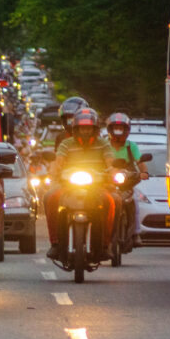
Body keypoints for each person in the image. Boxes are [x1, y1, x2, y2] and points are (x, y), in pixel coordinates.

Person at [44, 107, 119, 261]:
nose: (85, 132)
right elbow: (59, 162)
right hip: (68, 185)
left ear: (95, 129)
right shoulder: (66, 144)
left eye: (88, 128)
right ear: (75, 129)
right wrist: (54, 173)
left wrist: (112, 173)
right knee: (49, 197)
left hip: (97, 186)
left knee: (113, 201)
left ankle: (106, 244)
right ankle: (55, 243)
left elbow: (110, 162)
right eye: (82, 128)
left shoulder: (103, 144)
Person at [105, 112, 148, 248]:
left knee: (134, 201)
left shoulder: (131, 146)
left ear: (127, 130)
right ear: (110, 130)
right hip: (106, 182)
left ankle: (136, 233)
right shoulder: (104, 145)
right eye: (115, 129)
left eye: (121, 128)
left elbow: (140, 161)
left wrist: (144, 172)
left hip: (127, 182)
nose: (118, 132)